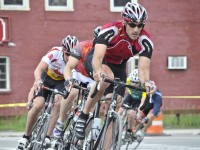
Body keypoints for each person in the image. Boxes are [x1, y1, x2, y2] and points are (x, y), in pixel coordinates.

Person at [74, 2, 156, 143]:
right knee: (106, 78)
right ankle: (83, 115)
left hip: (119, 66)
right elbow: (97, 58)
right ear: (124, 21)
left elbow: (143, 70)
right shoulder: (111, 30)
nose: (136, 29)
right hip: (99, 59)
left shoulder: (145, 41)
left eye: (140, 25)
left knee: (116, 105)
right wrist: (98, 71)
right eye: (132, 25)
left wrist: (147, 83)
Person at [16, 35, 79, 150]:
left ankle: (48, 137)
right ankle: (26, 136)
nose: (70, 58)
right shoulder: (55, 53)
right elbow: (38, 69)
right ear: (63, 50)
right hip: (47, 79)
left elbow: (74, 80)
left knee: (59, 103)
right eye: (67, 54)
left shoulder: (76, 60)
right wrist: (38, 80)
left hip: (61, 82)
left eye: (72, 55)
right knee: (38, 104)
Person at [53, 26, 102, 139]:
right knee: (73, 92)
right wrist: (68, 80)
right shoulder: (83, 46)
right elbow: (68, 67)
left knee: (93, 104)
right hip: (78, 73)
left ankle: (82, 138)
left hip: (93, 78)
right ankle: (60, 122)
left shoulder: (110, 52)